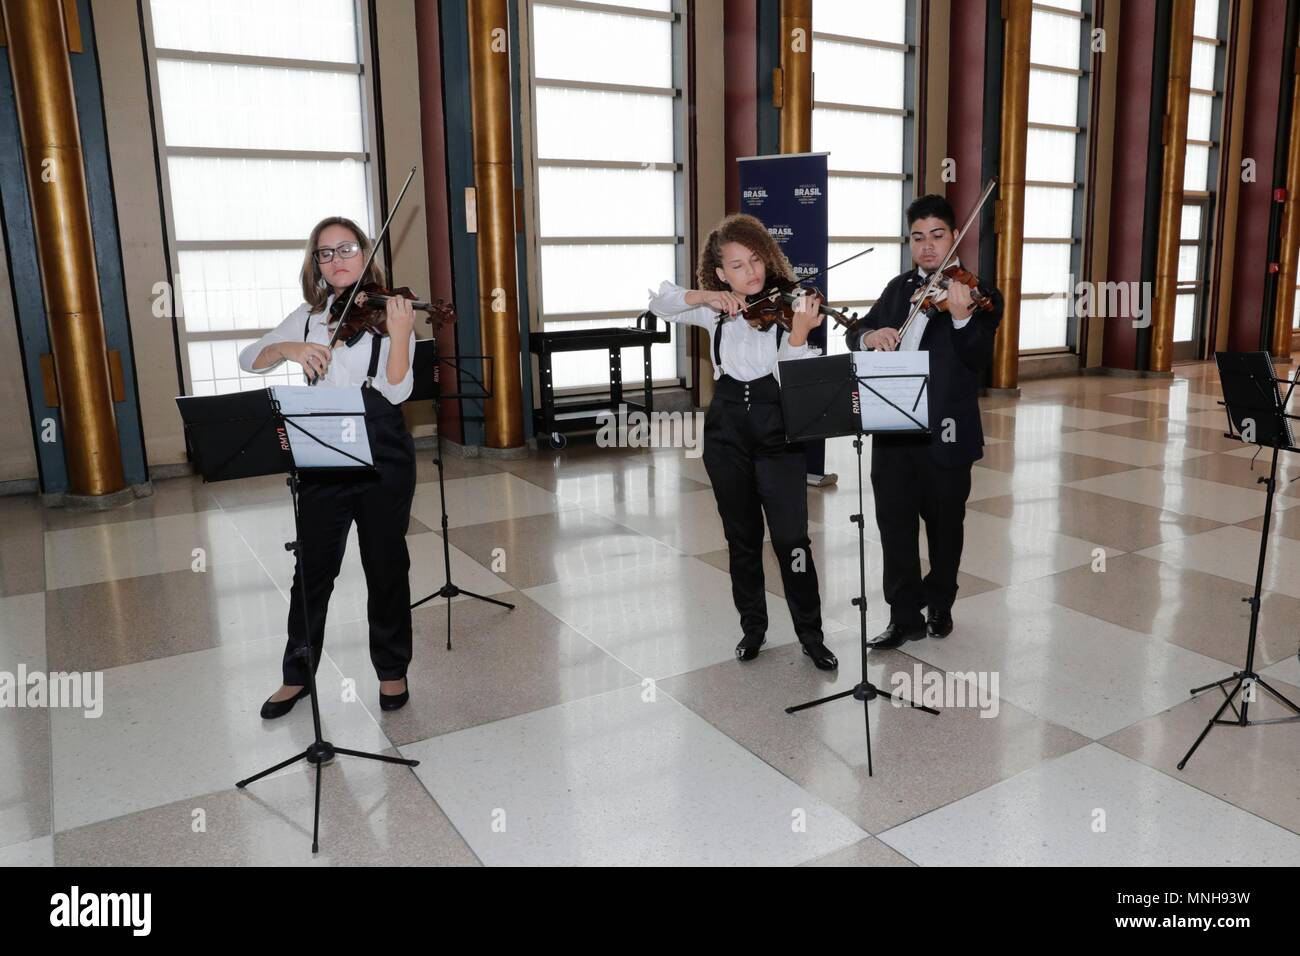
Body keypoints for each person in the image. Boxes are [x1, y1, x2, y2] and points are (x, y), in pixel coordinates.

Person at [238, 216, 418, 717]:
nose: (337, 260)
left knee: (386, 565)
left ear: (365, 254)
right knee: (312, 570)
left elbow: (398, 389)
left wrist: (401, 334)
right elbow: (250, 357)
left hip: (382, 450)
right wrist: (287, 348)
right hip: (322, 451)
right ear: (316, 265)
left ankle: (391, 670)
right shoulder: (309, 316)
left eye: (346, 249)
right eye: (325, 253)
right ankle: (297, 674)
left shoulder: (390, 312)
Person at [648, 213, 838, 670]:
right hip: (726, 433)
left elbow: (796, 381)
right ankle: (753, 628)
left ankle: (811, 635)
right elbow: (660, 302)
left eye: (755, 260)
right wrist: (710, 298)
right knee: (742, 538)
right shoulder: (715, 311)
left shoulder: (793, 306)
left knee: (792, 539)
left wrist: (796, 334)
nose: (751, 272)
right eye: (736, 265)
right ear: (721, 273)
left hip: (779, 434)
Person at [846, 194, 1003, 648]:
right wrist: (870, 333)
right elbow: (859, 331)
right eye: (918, 238)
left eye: (937, 236)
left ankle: (941, 605)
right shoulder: (899, 289)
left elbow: (979, 360)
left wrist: (959, 320)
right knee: (894, 528)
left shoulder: (979, 294)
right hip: (893, 429)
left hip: (947, 433)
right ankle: (903, 617)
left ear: (954, 236)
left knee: (944, 527)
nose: (928, 247)